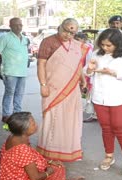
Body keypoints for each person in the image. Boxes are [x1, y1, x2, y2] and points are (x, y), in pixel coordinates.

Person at [85, 28, 122, 175]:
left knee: (120, 127)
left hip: (120, 96)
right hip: (99, 96)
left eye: (109, 45)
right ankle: (109, 156)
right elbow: (87, 72)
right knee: (106, 128)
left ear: (118, 43)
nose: (105, 48)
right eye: (103, 44)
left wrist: (114, 72)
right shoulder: (96, 53)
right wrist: (89, 69)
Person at [0, 112, 84, 180]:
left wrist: (49, 162)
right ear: (24, 130)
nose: (36, 125)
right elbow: (35, 177)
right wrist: (48, 172)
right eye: (33, 123)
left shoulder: (14, 136)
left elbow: (30, 157)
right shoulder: (22, 149)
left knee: (58, 166)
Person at [36, 18, 89, 162]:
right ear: (60, 27)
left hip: (71, 88)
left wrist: (83, 79)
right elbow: (41, 64)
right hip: (53, 87)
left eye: (72, 33)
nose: (68, 35)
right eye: (66, 30)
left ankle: (69, 149)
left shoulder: (76, 45)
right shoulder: (48, 42)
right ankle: (50, 150)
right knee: (53, 117)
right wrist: (43, 85)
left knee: (71, 118)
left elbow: (78, 65)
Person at [0, 17, 29, 123]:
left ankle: (17, 113)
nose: (19, 27)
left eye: (20, 25)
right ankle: (6, 114)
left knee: (20, 93)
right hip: (10, 71)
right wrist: (4, 62)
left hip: (22, 71)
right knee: (9, 93)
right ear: (10, 26)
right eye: (16, 25)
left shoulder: (25, 38)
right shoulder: (5, 38)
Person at [74, 32, 97, 123]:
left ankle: (93, 114)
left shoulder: (87, 49)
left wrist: (84, 77)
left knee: (88, 94)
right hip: (76, 74)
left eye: (79, 40)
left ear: (84, 40)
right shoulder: (74, 48)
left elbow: (88, 64)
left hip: (85, 74)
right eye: (75, 40)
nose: (77, 42)